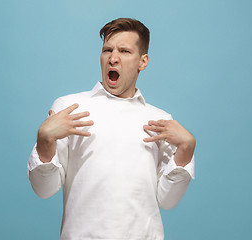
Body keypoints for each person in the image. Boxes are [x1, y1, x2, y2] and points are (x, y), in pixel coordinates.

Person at [28, 18, 196, 240]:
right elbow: (44, 189)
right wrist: (44, 141)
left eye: (124, 51)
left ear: (142, 61)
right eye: (107, 50)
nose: (113, 58)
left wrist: (186, 149)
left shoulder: (161, 121)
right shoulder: (69, 109)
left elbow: (167, 200)